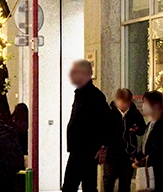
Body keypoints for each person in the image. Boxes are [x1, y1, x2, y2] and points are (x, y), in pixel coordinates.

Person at [62, 60, 108, 192]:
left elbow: (106, 122)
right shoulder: (80, 94)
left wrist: (103, 146)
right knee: (69, 185)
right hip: (76, 149)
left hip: (88, 150)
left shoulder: (95, 96)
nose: (72, 75)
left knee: (88, 186)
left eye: (75, 72)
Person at [105, 88, 145, 192]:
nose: (124, 106)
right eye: (122, 103)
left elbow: (142, 129)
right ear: (116, 100)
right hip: (112, 153)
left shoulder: (134, 112)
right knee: (109, 180)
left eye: (127, 103)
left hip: (129, 154)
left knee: (125, 182)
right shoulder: (109, 112)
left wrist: (137, 129)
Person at [135, 91, 163, 186]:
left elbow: (158, 149)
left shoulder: (161, 125)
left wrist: (146, 159)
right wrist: (138, 157)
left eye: (145, 103)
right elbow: (145, 143)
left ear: (156, 105)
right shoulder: (150, 124)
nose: (143, 106)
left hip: (158, 170)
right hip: (149, 171)